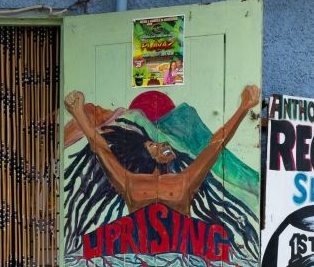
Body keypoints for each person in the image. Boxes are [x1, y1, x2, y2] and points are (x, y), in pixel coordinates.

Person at [63, 84, 260, 216]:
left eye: (164, 144)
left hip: (179, 261)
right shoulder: (130, 183)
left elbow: (214, 146)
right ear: (143, 155)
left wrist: (243, 108)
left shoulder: (185, 180)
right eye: (153, 145)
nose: (164, 145)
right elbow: (102, 149)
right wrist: (79, 114)